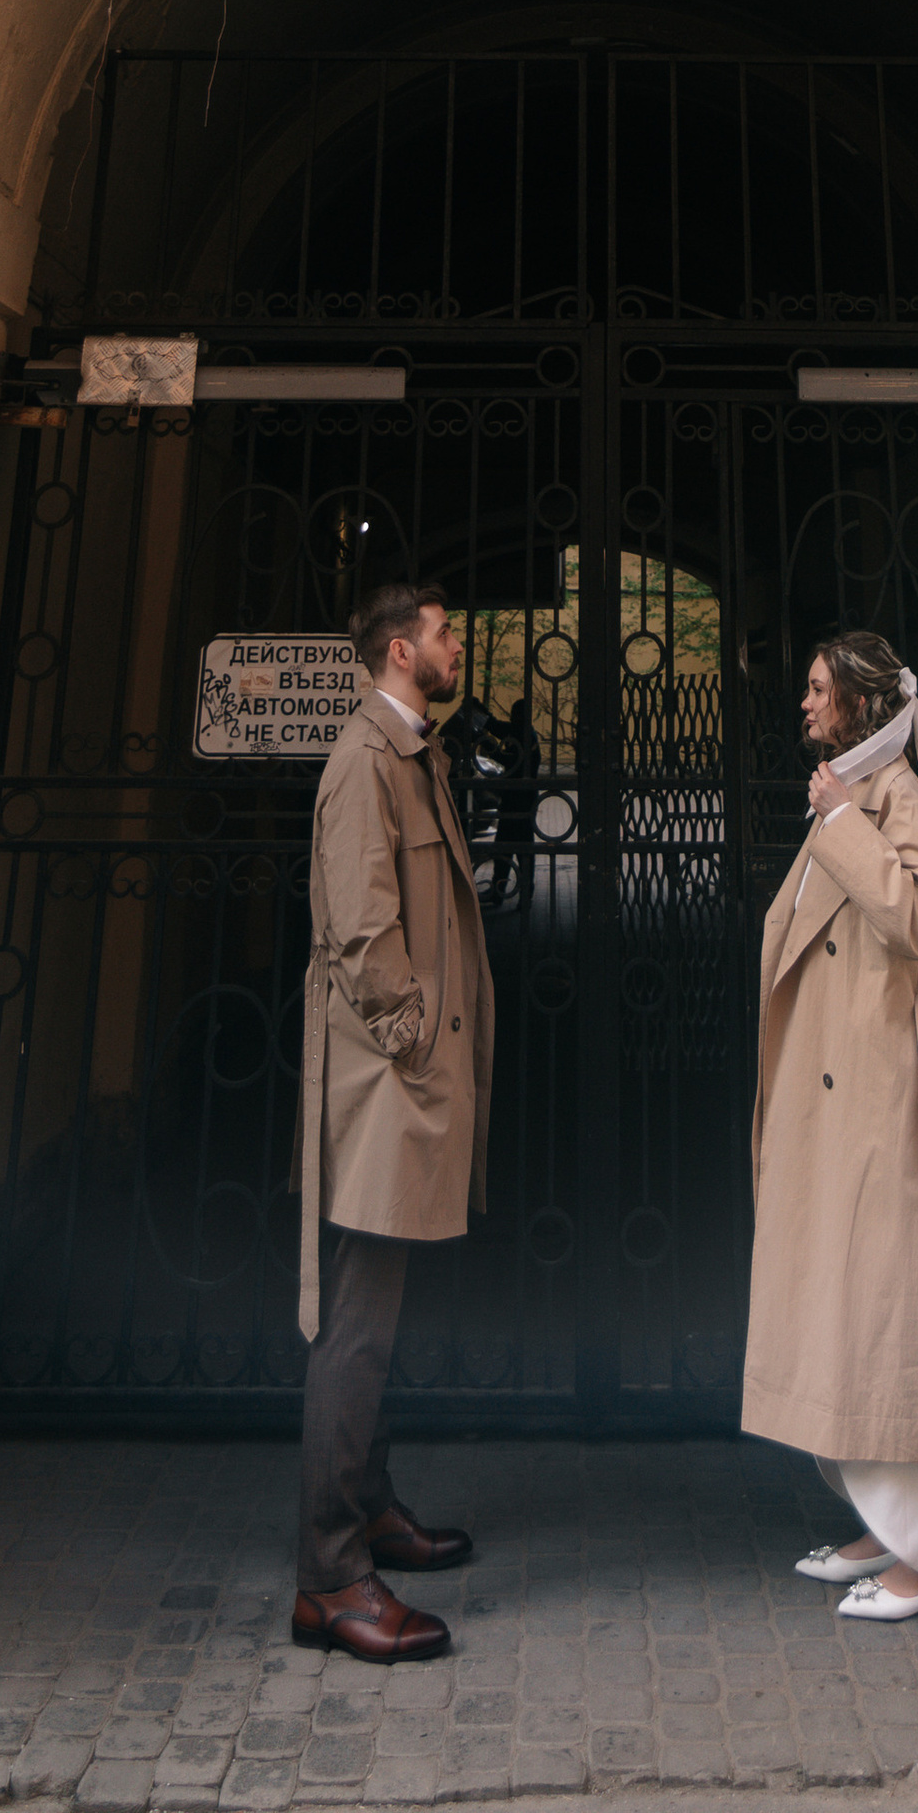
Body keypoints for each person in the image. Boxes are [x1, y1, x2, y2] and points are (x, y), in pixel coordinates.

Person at [743, 628, 918, 1623]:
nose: (803, 705)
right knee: (844, 1316)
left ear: (858, 703)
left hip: (879, 1100)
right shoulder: (855, 787)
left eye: (817, 690)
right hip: (839, 1099)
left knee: (895, 1321)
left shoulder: (887, 791)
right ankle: (881, 1527)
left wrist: (846, 819)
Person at [290, 578, 496, 1665]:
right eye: (446, 631)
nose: (457, 643)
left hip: (402, 1086)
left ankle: (367, 1508)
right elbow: (362, 934)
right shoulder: (364, 762)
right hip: (383, 1091)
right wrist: (415, 1039)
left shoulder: (412, 752)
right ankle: (328, 1578)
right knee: (356, 1326)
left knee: (380, 1316)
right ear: (400, 652)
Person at [485, 693, 541, 912]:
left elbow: (510, 760)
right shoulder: (526, 732)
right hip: (521, 800)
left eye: (515, 713)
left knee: (512, 849)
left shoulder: (522, 733)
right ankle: (507, 892)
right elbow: (499, 728)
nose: (513, 717)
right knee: (513, 849)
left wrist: (492, 750)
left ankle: (505, 893)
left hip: (519, 801)